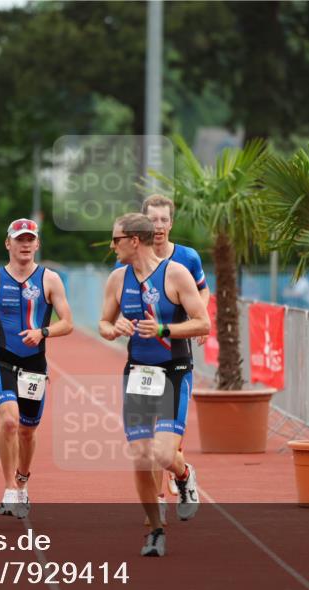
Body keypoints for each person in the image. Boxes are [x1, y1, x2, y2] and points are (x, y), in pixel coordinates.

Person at [99, 212, 210, 557]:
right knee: (141, 456)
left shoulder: (175, 274)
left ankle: (183, 474)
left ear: (134, 241)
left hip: (174, 371)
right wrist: (113, 329)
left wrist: (163, 329)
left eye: (116, 239)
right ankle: (155, 530)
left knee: (162, 454)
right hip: (138, 373)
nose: (112, 246)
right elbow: (103, 322)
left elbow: (203, 323)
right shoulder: (117, 279)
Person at [116, 195, 212, 517]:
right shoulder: (126, 262)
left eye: (163, 220)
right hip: (142, 363)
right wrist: (118, 324)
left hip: (175, 355)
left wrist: (196, 319)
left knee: (164, 448)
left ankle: (180, 474)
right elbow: (118, 303)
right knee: (146, 443)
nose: (158, 226)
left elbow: (202, 290)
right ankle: (157, 501)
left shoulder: (186, 258)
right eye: (152, 220)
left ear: (171, 223)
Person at [0, 218, 74, 518]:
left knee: (28, 432)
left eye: (30, 239)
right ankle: (9, 489)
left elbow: (67, 323)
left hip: (34, 367)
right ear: (8, 243)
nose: (25, 244)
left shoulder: (50, 280)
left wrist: (42, 332)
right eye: (20, 239)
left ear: (37, 244)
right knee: (9, 422)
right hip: (3, 361)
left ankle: (22, 480)